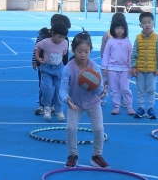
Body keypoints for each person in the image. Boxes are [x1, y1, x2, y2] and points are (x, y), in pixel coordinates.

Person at [60, 31, 108, 168]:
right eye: (79, 51)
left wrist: (103, 93)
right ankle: (73, 155)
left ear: (90, 51)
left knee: (99, 129)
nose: (83, 54)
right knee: (71, 128)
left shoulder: (94, 67)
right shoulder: (68, 68)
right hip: (74, 103)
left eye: (86, 51)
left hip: (93, 103)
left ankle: (96, 156)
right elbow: (62, 89)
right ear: (73, 50)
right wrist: (67, 100)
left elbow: (99, 87)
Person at [32, 14, 71, 115]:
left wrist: (66, 66)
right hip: (44, 65)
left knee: (57, 87)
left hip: (58, 67)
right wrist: (35, 61)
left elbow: (65, 54)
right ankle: (42, 105)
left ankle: (53, 106)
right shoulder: (43, 36)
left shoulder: (64, 39)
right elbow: (36, 48)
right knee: (44, 86)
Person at [130, 11, 158, 119]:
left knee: (151, 89)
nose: (147, 25)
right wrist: (133, 67)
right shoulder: (138, 38)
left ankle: (150, 108)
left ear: (153, 23)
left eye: (149, 22)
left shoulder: (157, 38)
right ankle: (140, 107)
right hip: (139, 70)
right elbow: (134, 53)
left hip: (152, 70)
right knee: (140, 89)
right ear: (140, 25)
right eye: (144, 23)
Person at [101, 15, 134, 116]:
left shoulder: (127, 42)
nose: (119, 30)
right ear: (113, 29)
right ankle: (116, 107)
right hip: (112, 69)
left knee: (125, 89)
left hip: (124, 69)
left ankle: (129, 106)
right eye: (117, 28)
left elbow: (130, 55)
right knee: (114, 89)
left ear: (125, 29)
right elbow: (106, 54)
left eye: (122, 28)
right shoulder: (110, 42)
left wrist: (131, 67)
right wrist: (104, 67)